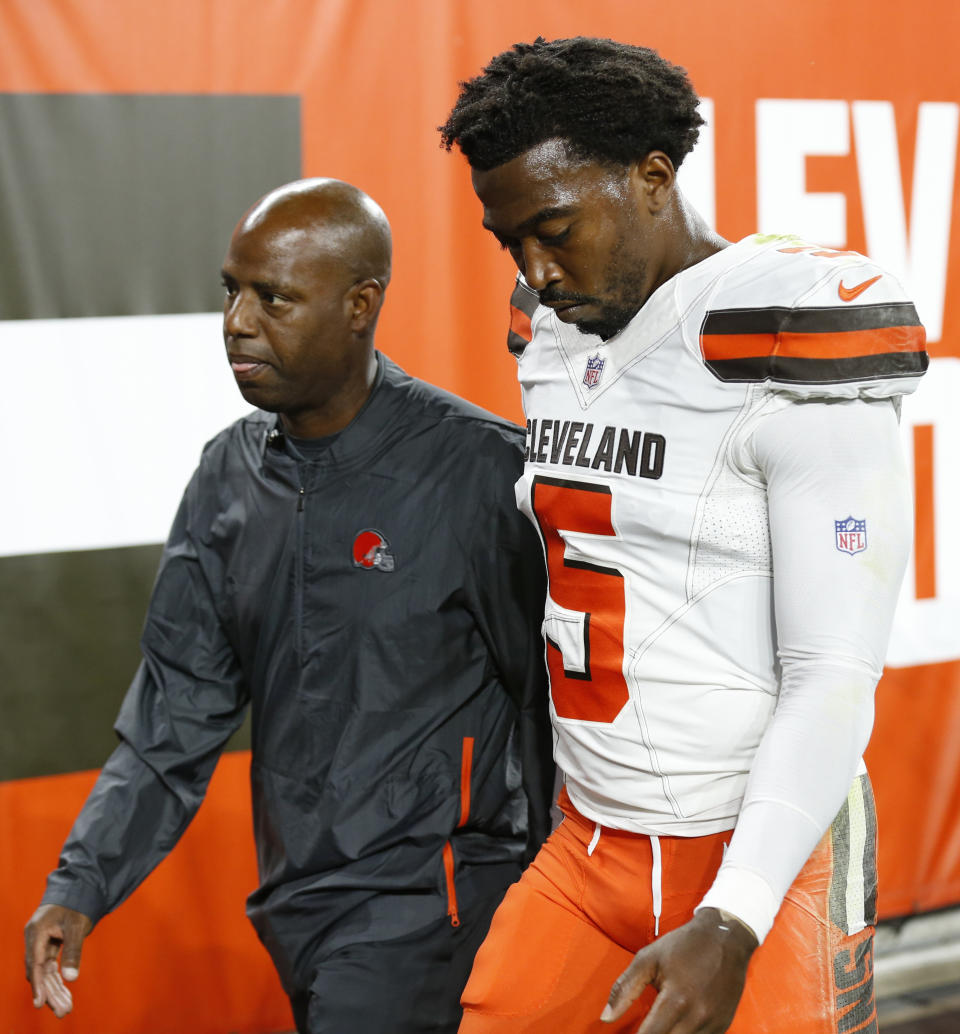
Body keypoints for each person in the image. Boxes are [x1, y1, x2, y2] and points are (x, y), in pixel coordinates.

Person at [439, 36, 927, 1034]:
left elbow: (833, 673)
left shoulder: (783, 332)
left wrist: (735, 915)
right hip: (591, 844)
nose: (535, 265)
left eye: (555, 226)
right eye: (510, 240)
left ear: (653, 178)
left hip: (763, 856)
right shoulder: (551, 332)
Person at [23, 178, 554, 1034]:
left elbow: (551, 710)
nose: (237, 321)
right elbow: (176, 715)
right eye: (230, 291)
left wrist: (558, 917)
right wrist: (81, 885)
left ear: (359, 304)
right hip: (297, 910)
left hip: (439, 911)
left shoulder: (482, 474)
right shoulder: (225, 478)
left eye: (273, 298)